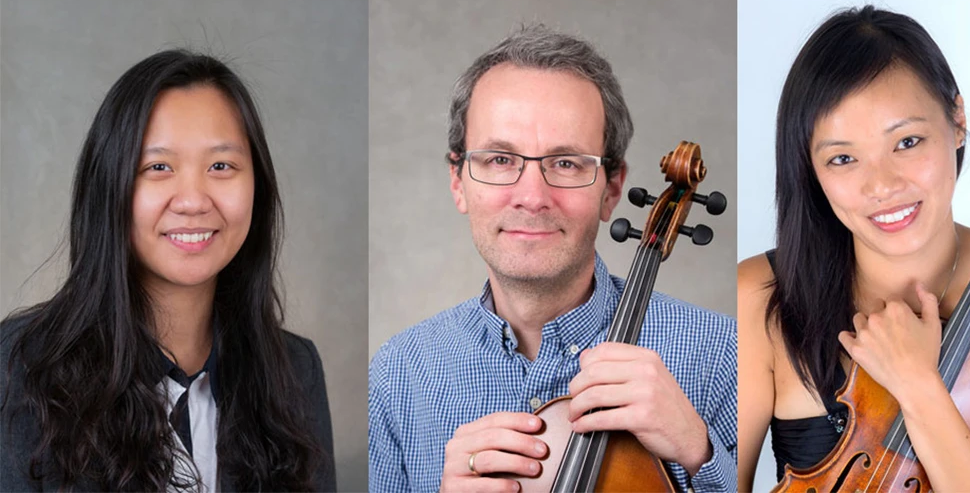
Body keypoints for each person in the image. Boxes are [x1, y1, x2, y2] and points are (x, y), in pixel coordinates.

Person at [737, 5, 970, 491]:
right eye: (843, 158)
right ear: (811, 168)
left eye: (906, 142)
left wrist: (918, 387)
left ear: (956, 119)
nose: (882, 185)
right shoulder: (757, 296)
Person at [369, 25, 736, 492]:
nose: (531, 196)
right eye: (500, 159)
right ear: (459, 181)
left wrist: (697, 452)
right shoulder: (398, 373)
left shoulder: (723, 355)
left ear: (612, 190)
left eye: (566, 163)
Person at [0, 50, 336, 491]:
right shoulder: (19, 368)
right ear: (111, 186)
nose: (194, 200)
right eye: (158, 167)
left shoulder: (294, 370)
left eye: (221, 166)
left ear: (258, 185)